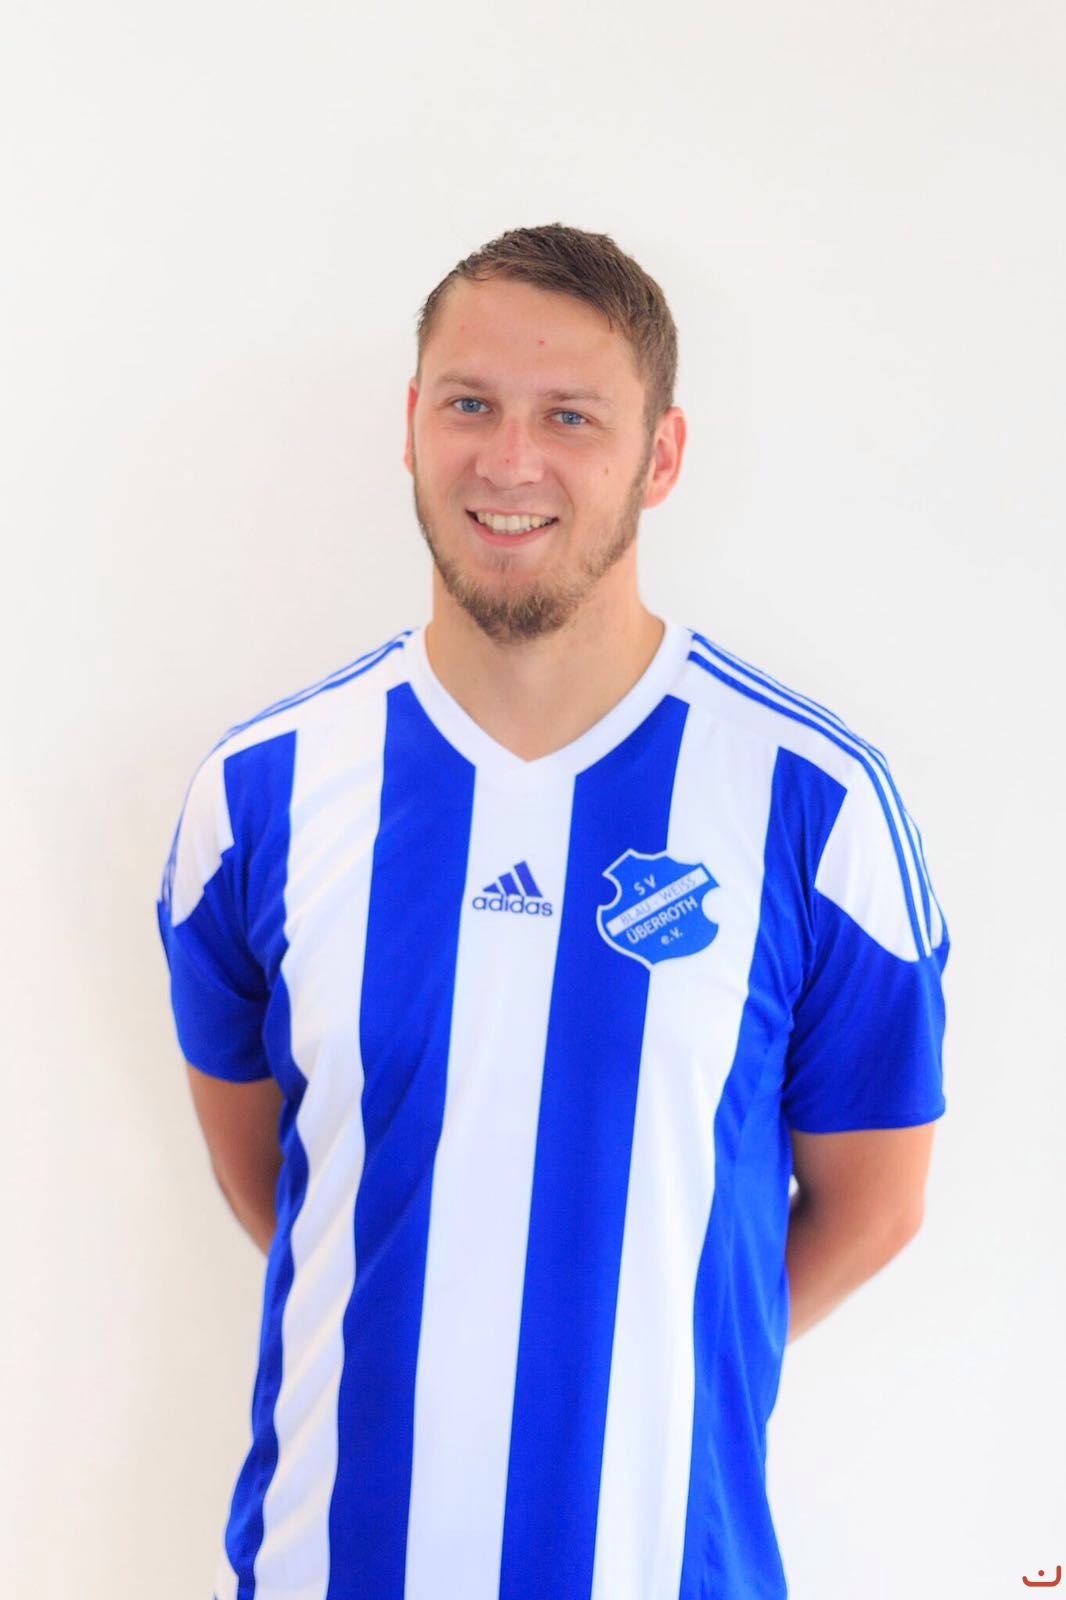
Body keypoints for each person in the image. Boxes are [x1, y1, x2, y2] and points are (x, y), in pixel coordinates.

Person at [156, 222, 950, 1600]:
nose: (509, 461)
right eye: (470, 404)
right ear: (412, 424)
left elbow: (872, 1205)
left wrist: (644, 1359)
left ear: (661, 456)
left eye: (571, 417)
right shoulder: (260, 794)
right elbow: (272, 1174)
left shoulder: (813, 808)